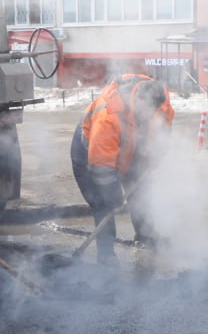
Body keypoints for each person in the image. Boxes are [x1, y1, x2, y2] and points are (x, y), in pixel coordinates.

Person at [69, 74, 174, 265]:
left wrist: (155, 157)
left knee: (141, 192)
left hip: (129, 149)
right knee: (103, 203)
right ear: (137, 99)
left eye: (154, 109)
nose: (150, 113)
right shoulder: (109, 115)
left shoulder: (160, 102)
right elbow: (100, 163)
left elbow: (164, 131)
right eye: (146, 108)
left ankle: (146, 236)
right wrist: (112, 194)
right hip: (89, 154)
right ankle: (106, 253)